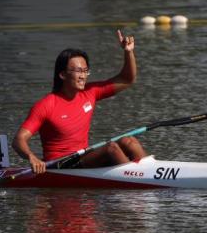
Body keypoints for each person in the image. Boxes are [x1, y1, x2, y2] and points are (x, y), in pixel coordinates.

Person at [12, 30, 147, 174]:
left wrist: (128, 52)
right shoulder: (46, 105)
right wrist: (31, 157)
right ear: (63, 74)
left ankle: (150, 174)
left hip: (84, 157)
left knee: (129, 141)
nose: (83, 76)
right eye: (78, 71)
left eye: (85, 71)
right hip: (60, 166)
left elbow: (127, 80)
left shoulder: (90, 92)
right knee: (111, 148)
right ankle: (137, 182)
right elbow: (18, 140)